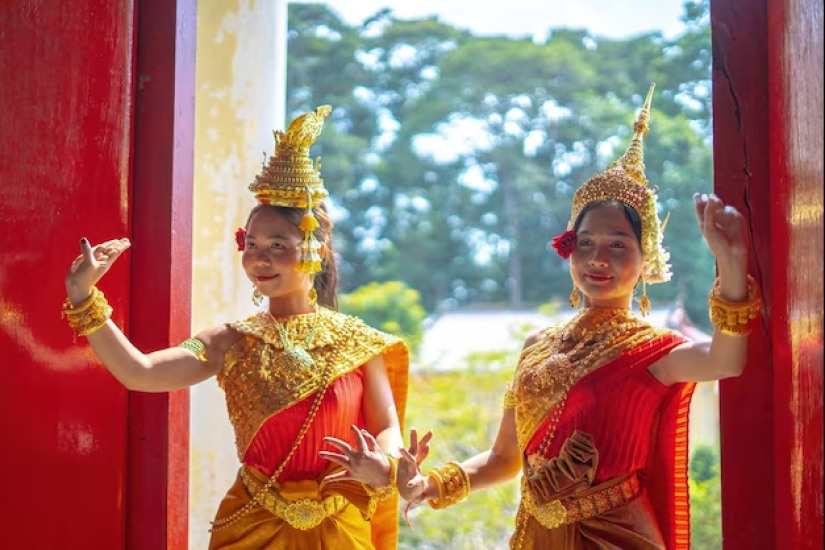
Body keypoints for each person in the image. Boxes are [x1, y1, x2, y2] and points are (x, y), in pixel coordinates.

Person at [396, 85, 762, 550]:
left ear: (645, 259)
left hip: (613, 536)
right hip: (535, 535)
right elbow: (504, 460)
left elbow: (725, 361)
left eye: (618, 245)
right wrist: (426, 486)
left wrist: (731, 267)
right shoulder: (537, 345)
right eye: (586, 242)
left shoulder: (654, 351)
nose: (598, 258)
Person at [62, 106, 411, 550]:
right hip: (251, 527)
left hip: (338, 529)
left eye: (278, 245)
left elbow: (387, 428)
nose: (260, 259)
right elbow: (142, 372)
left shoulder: (360, 344)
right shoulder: (229, 341)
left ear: (314, 251)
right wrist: (84, 298)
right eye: (253, 245)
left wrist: (383, 466)